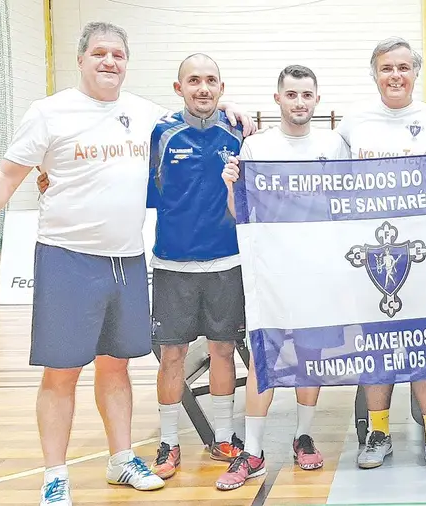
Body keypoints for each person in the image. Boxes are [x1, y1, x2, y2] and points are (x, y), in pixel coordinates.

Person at [0, 21, 252, 506]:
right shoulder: (48, 112)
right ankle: (55, 475)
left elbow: (196, 114)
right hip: (66, 257)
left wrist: (234, 110)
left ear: (127, 63)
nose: (109, 62)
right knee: (62, 372)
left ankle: (121, 457)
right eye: (100, 54)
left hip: (127, 261)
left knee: (117, 368)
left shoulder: (145, 115)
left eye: (118, 55)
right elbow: (7, 173)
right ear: (81, 59)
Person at [215, 64, 351, 491]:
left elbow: (348, 204)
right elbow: (241, 215)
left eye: (306, 95)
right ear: (278, 99)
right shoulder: (256, 148)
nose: (299, 102)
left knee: (311, 356)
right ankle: (252, 450)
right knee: (264, 358)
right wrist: (229, 186)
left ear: (317, 99)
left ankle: (303, 435)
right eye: (291, 95)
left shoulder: (334, 144)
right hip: (271, 272)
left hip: (319, 270)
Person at [333, 36, 426, 479]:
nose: (396, 75)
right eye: (387, 68)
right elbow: (326, 181)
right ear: (375, 73)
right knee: (376, 350)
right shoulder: (353, 124)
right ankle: (379, 433)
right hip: (370, 257)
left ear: (415, 73)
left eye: (404, 67)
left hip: (422, 254)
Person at [142, 54, 247, 480]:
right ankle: (169, 443)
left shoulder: (239, 132)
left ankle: (223, 434)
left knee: (223, 350)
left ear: (222, 89)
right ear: (178, 87)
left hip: (227, 262)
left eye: (211, 81)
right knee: (172, 355)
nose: (202, 88)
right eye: (193, 81)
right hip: (173, 264)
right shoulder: (160, 134)